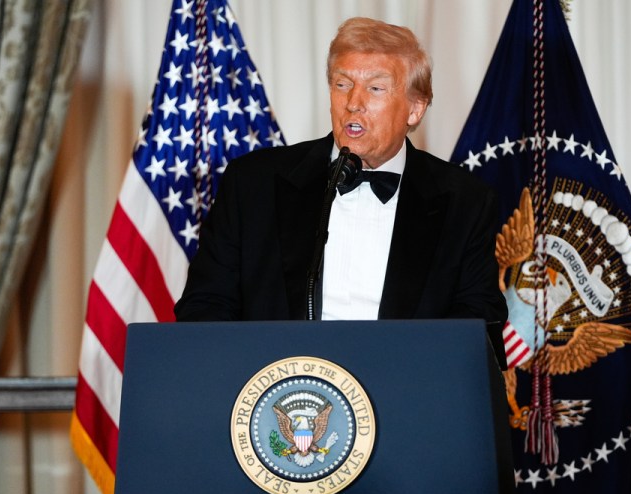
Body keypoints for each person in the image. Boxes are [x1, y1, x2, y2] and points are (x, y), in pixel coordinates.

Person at [174, 17, 507, 337]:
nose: (353, 103)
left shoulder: (465, 201)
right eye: (342, 84)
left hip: (402, 386)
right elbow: (205, 306)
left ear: (415, 108)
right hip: (281, 385)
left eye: (375, 88)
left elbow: (478, 320)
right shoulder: (252, 183)